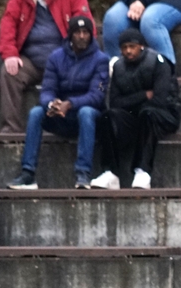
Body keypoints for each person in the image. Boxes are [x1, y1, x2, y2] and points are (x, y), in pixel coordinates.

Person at [7, 17, 109, 190]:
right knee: (36, 113)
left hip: (89, 117)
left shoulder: (101, 60)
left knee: (86, 112)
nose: (82, 36)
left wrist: (70, 103)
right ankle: (27, 173)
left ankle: (83, 173)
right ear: (70, 35)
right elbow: (47, 89)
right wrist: (52, 104)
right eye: (77, 32)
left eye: (86, 32)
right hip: (61, 115)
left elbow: (97, 95)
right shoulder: (55, 57)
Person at [0, 0, 95, 133]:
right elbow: (8, 21)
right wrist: (10, 53)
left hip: (64, 60)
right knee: (9, 73)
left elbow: (87, 29)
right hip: (31, 61)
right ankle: (11, 130)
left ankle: (67, 129)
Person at [90, 29, 181, 190]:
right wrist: (144, 95)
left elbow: (160, 99)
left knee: (148, 113)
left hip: (165, 114)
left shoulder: (158, 62)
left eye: (132, 46)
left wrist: (133, 102)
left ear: (141, 46)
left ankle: (142, 171)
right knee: (108, 116)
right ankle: (111, 172)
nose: (128, 51)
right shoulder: (119, 67)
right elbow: (115, 103)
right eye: (124, 47)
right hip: (135, 115)